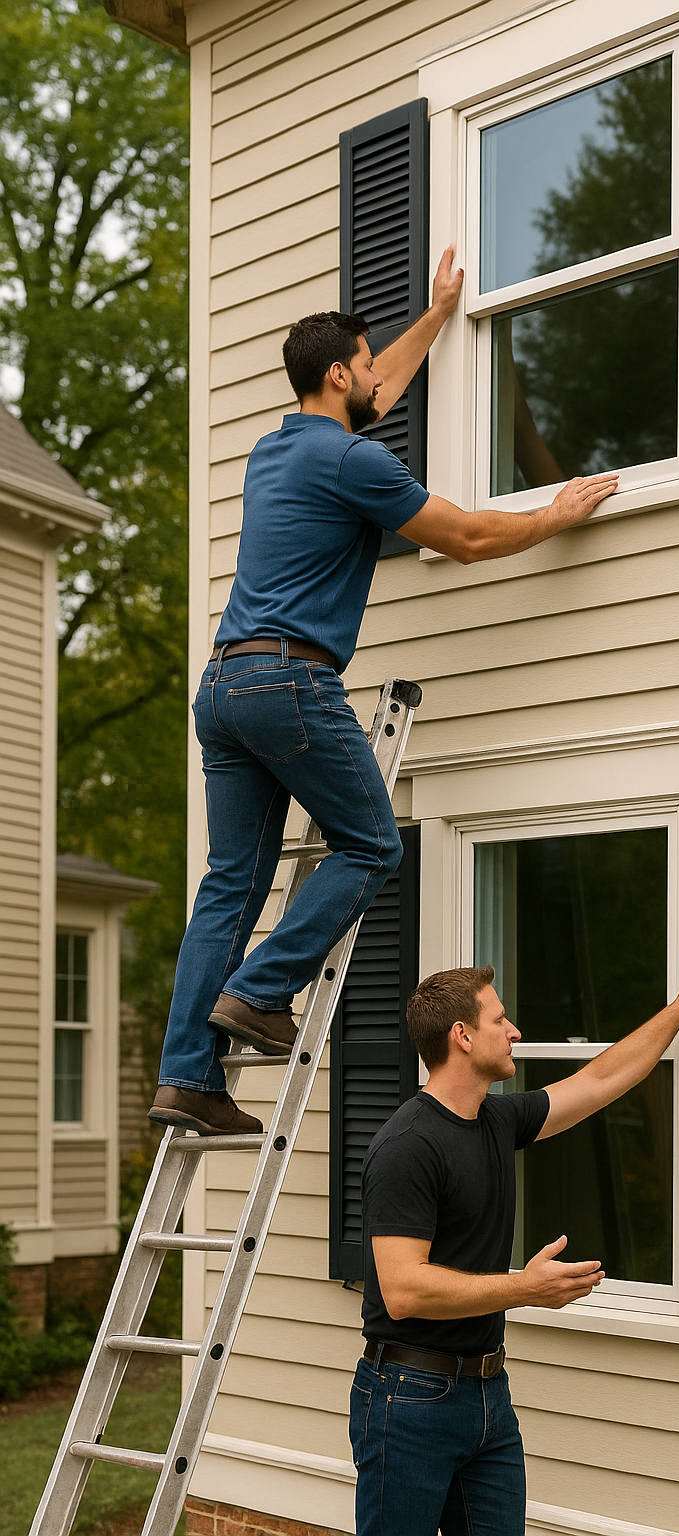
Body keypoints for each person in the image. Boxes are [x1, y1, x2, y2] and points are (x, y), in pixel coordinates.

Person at [148, 247, 619, 1137]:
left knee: (229, 886)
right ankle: (259, 992)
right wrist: (553, 514)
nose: (378, 377)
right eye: (365, 364)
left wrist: (436, 317)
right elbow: (467, 538)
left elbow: (378, 389)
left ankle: (186, 1077)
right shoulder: (352, 462)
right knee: (368, 845)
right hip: (290, 682)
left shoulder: (276, 450)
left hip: (224, 685)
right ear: (337, 375)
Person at [350, 926, 679, 1535]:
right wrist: (524, 1287)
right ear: (462, 1036)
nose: (515, 1031)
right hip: (408, 1398)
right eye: (500, 1020)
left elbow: (601, 1079)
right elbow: (403, 1290)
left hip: (487, 1394)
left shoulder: (497, 1120)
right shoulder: (408, 1146)